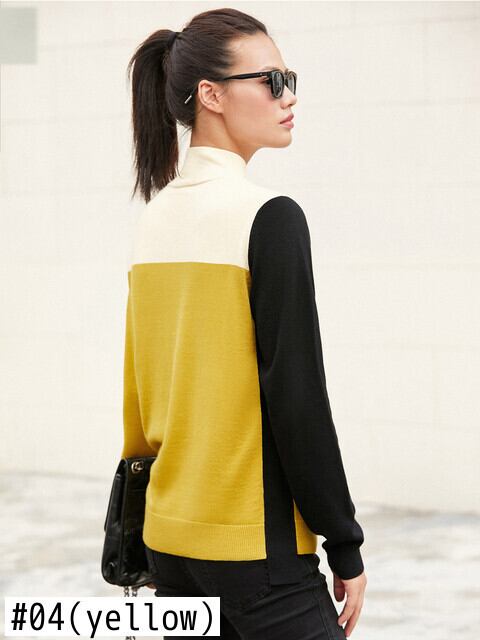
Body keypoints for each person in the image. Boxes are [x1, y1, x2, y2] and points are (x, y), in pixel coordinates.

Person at [122, 7, 367, 639]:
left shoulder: (153, 221)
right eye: (272, 81)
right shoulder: (269, 218)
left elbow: (139, 396)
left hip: (168, 541)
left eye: (290, 80)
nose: (289, 97)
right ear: (211, 95)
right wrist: (343, 541)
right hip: (254, 549)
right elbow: (298, 397)